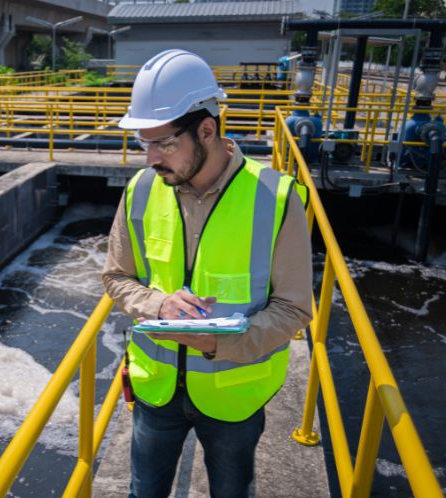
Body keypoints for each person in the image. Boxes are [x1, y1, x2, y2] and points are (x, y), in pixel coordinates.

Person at [102, 49, 313, 498]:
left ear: (207, 130)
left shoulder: (275, 199)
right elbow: (117, 277)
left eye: (164, 144)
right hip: (155, 392)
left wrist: (221, 342)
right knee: (145, 491)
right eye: (144, 143)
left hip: (234, 395)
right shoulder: (141, 190)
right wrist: (158, 303)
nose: (150, 159)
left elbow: (294, 309)